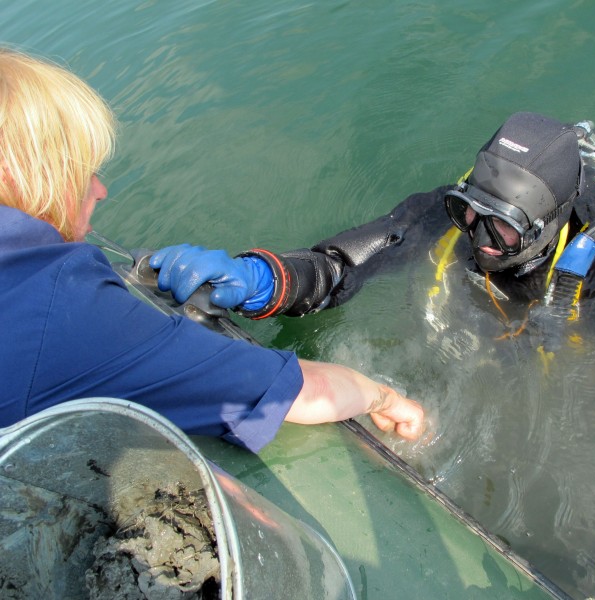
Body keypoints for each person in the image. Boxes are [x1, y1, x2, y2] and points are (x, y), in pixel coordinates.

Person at [151, 112, 595, 600]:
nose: (476, 238)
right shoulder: (462, 214)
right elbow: (342, 265)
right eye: (466, 212)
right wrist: (258, 279)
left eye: (500, 229)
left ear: (547, 225)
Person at [0, 47, 425, 454]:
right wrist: (386, 400)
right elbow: (304, 391)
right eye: (82, 172)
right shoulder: (66, 311)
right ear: (21, 177)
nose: (100, 189)